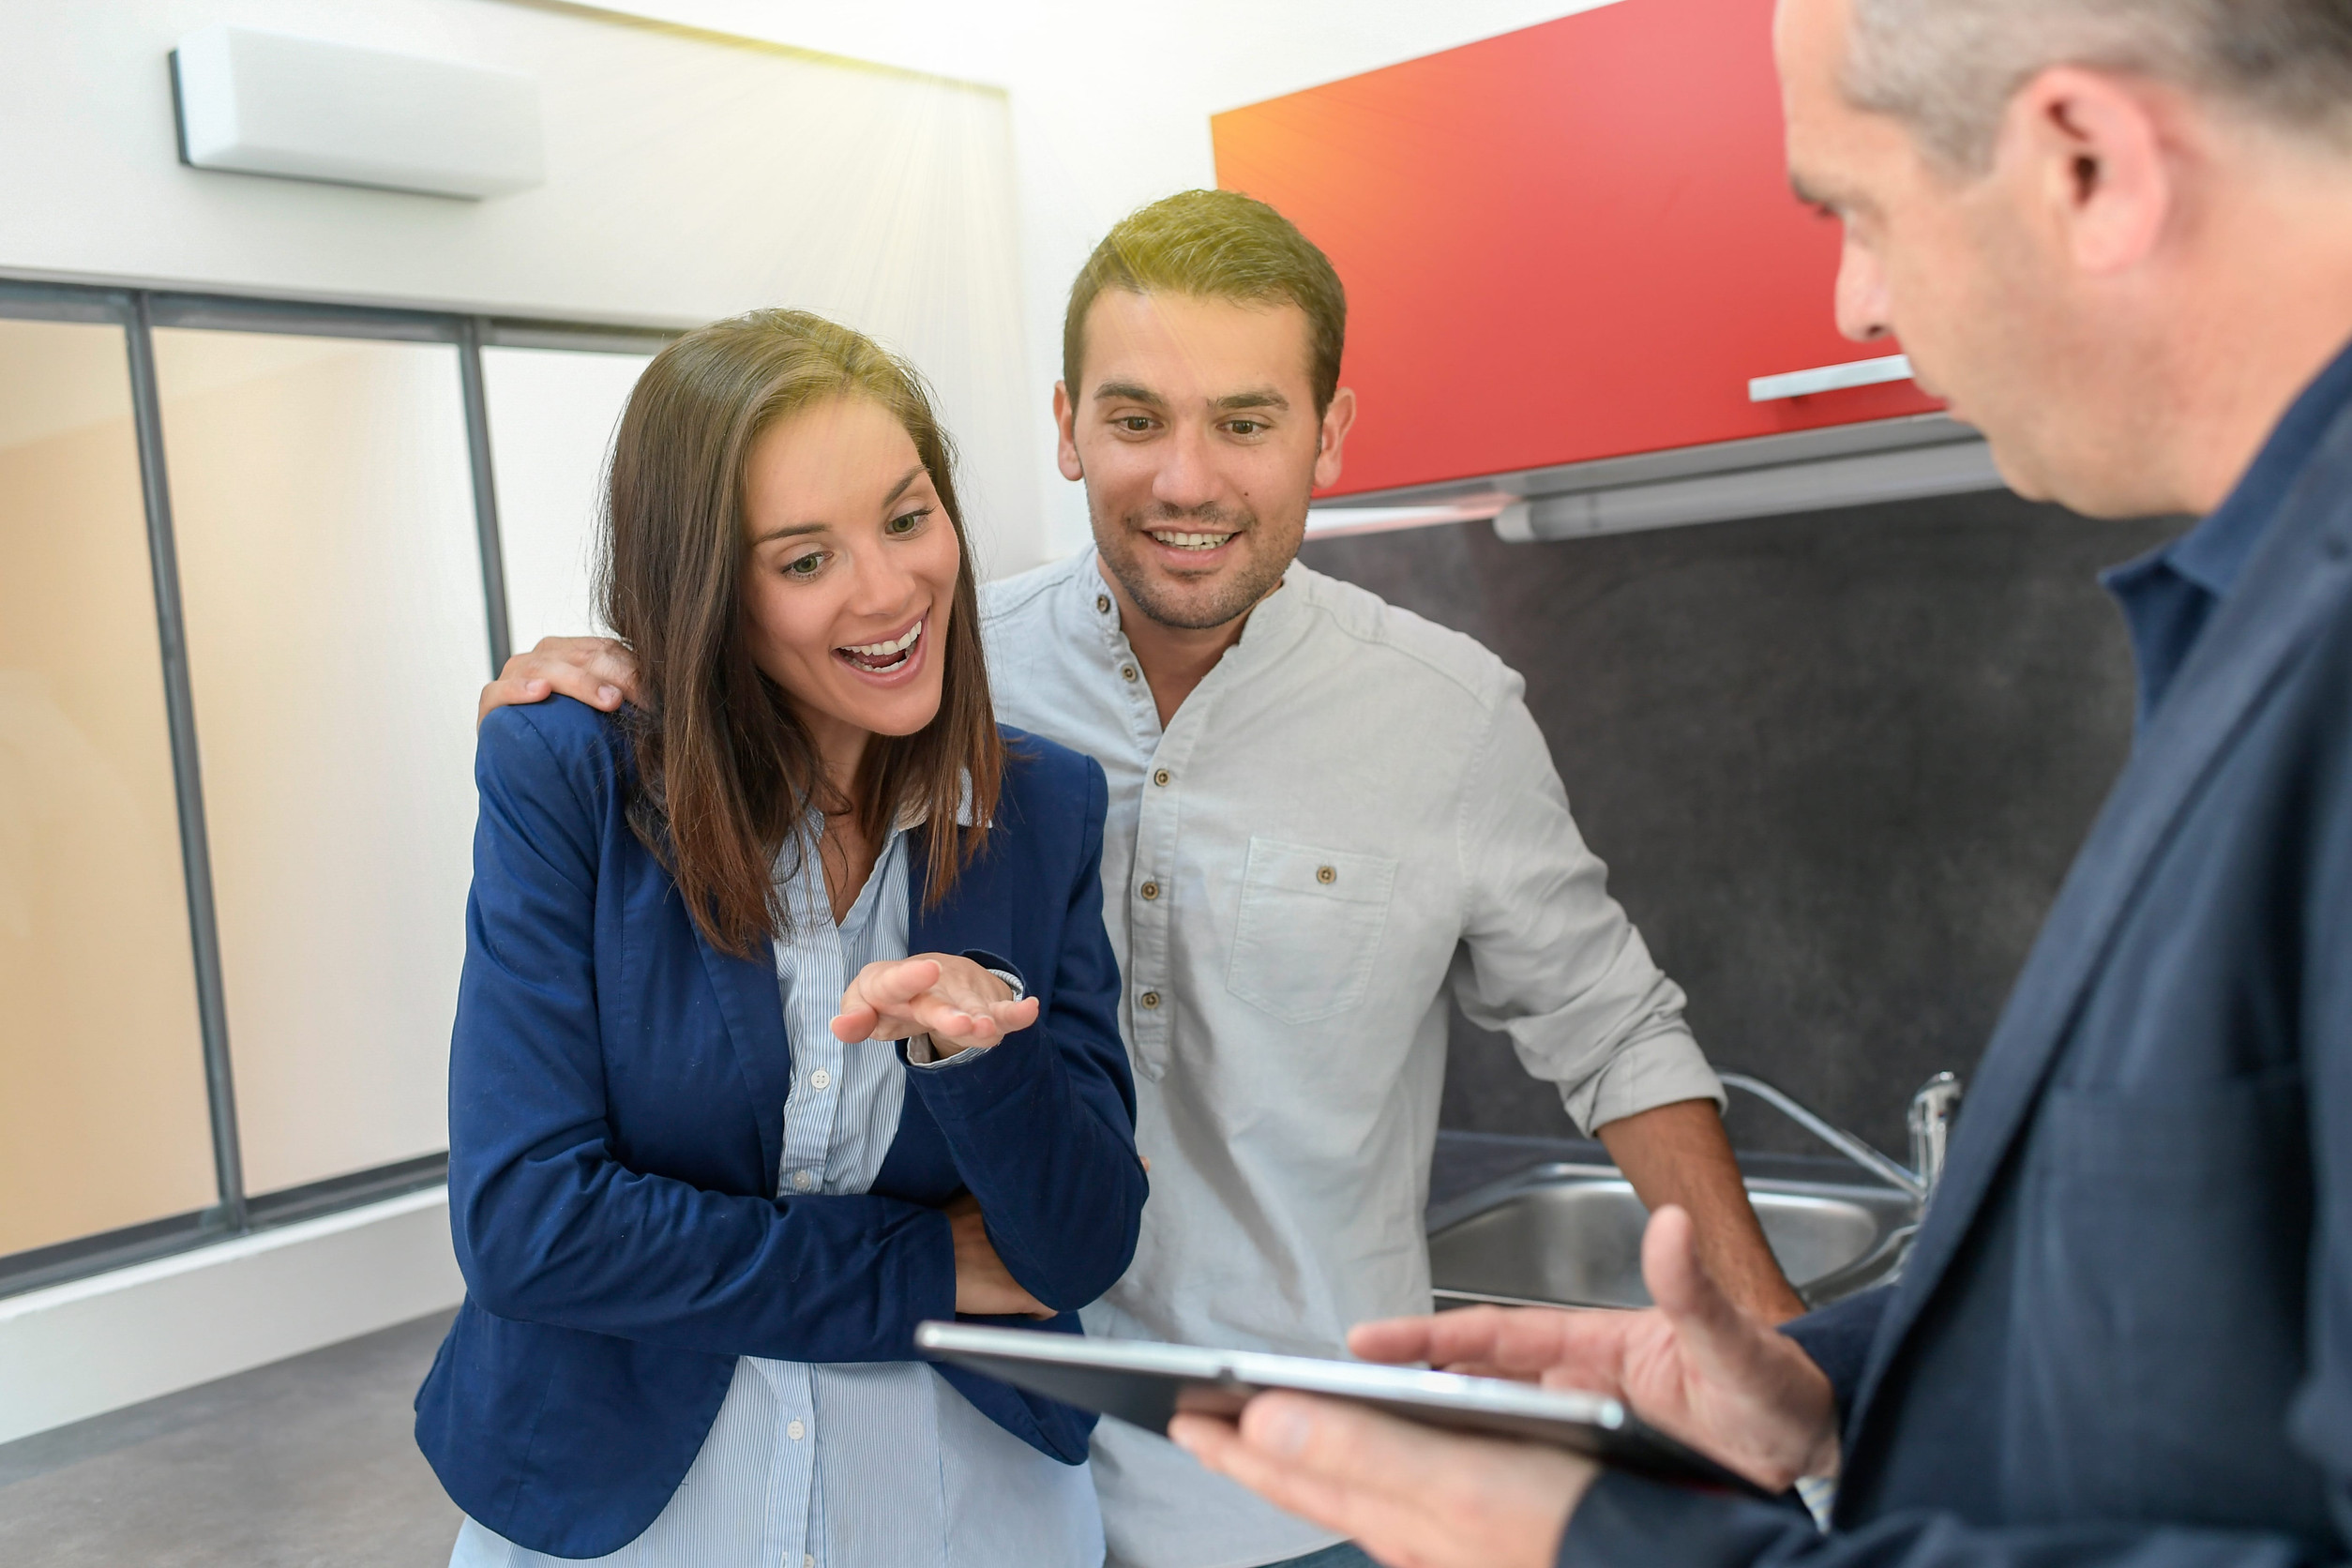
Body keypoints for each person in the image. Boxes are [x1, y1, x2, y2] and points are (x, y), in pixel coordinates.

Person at [1166, 0, 2352, 1565]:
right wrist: (1823, 1386)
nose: (1856, 305)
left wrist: (1610, 1549)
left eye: (1854, 212)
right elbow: (2219, 1339)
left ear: (2086, 163)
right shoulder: (2259, 612)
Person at [484, 192, 1802, 1568]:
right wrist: (594, 707)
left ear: (1329, 436)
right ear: (1065, 427)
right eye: (1133, 420)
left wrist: (1784, 1359)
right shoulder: (922, 662)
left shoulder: (1446, 718)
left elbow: (1614, 1034)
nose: (1184, 479)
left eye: (1245, 421)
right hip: (973, 1459)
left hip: (1299, 1492)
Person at [415, 309, 1148, 1568]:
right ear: (707, 592)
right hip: (619, 1508)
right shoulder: (565, 774)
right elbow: (530, 1228)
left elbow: (1072, 1252)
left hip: (960, 1511)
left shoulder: (1044, 812)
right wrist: (924, 1269)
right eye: (804, 560)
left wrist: (985, 1063)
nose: (888, 589)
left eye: (908, 519)